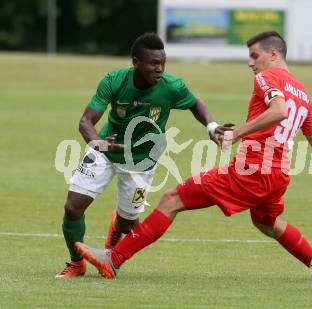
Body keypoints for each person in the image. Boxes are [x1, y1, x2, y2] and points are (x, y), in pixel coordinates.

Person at [74, 31, 312, 279]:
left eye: (254, 56)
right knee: (267, 223)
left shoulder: (267, 78)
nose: (250, 63)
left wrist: (237, 134)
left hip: (251, 172)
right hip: (278, 176)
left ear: (274, 55)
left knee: (171, 199)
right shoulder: (303, 94)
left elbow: (279, 110)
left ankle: (114, 259)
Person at [56, 32, 231, 278]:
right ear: (136, 62)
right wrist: (99, 144)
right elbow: (86, 121)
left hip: (142, 162)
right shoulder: (114, 81)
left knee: (129, 225)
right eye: (153, 63)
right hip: (106, 151)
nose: (159, 68)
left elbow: (195, 103)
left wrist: (212, 126)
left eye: (163, 62)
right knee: (73, 207)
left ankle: (118, 223)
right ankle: (76, 263)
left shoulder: (172, 86)